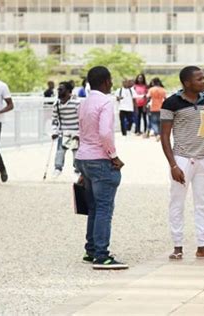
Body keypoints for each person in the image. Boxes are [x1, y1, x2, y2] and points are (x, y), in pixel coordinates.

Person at [160, 66, 204, 261]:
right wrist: (173, 165)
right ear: (187, 83)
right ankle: (177, 247)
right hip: (182, 159)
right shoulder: (171, 103)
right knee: (177, 202)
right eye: (199, 79)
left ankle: (202, 247)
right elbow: (164, 136)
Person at [74, 66, 127, 270]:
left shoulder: (84, 102)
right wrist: (114, 156)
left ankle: (91, 250)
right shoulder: (105, 101)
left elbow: (81, 131)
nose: (112, 84)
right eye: (111, 80)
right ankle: (102, 255)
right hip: (100, 158)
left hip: (83, 158)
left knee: (94, 207)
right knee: (104, 207)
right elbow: (105, 133)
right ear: (105, 81)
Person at [51, 81, 80, 177]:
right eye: (58, 89)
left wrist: (79, 133)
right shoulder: (57, 105)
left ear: (68, 91)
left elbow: (82, 119)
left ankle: (78, 170)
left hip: (75, 132)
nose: (59, 91)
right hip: (64, 132)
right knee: (60, 151)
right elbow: (55, 119)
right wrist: (54, 131)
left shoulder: (76, 103)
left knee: (76, 152)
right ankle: (57, 168)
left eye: (61, 89)